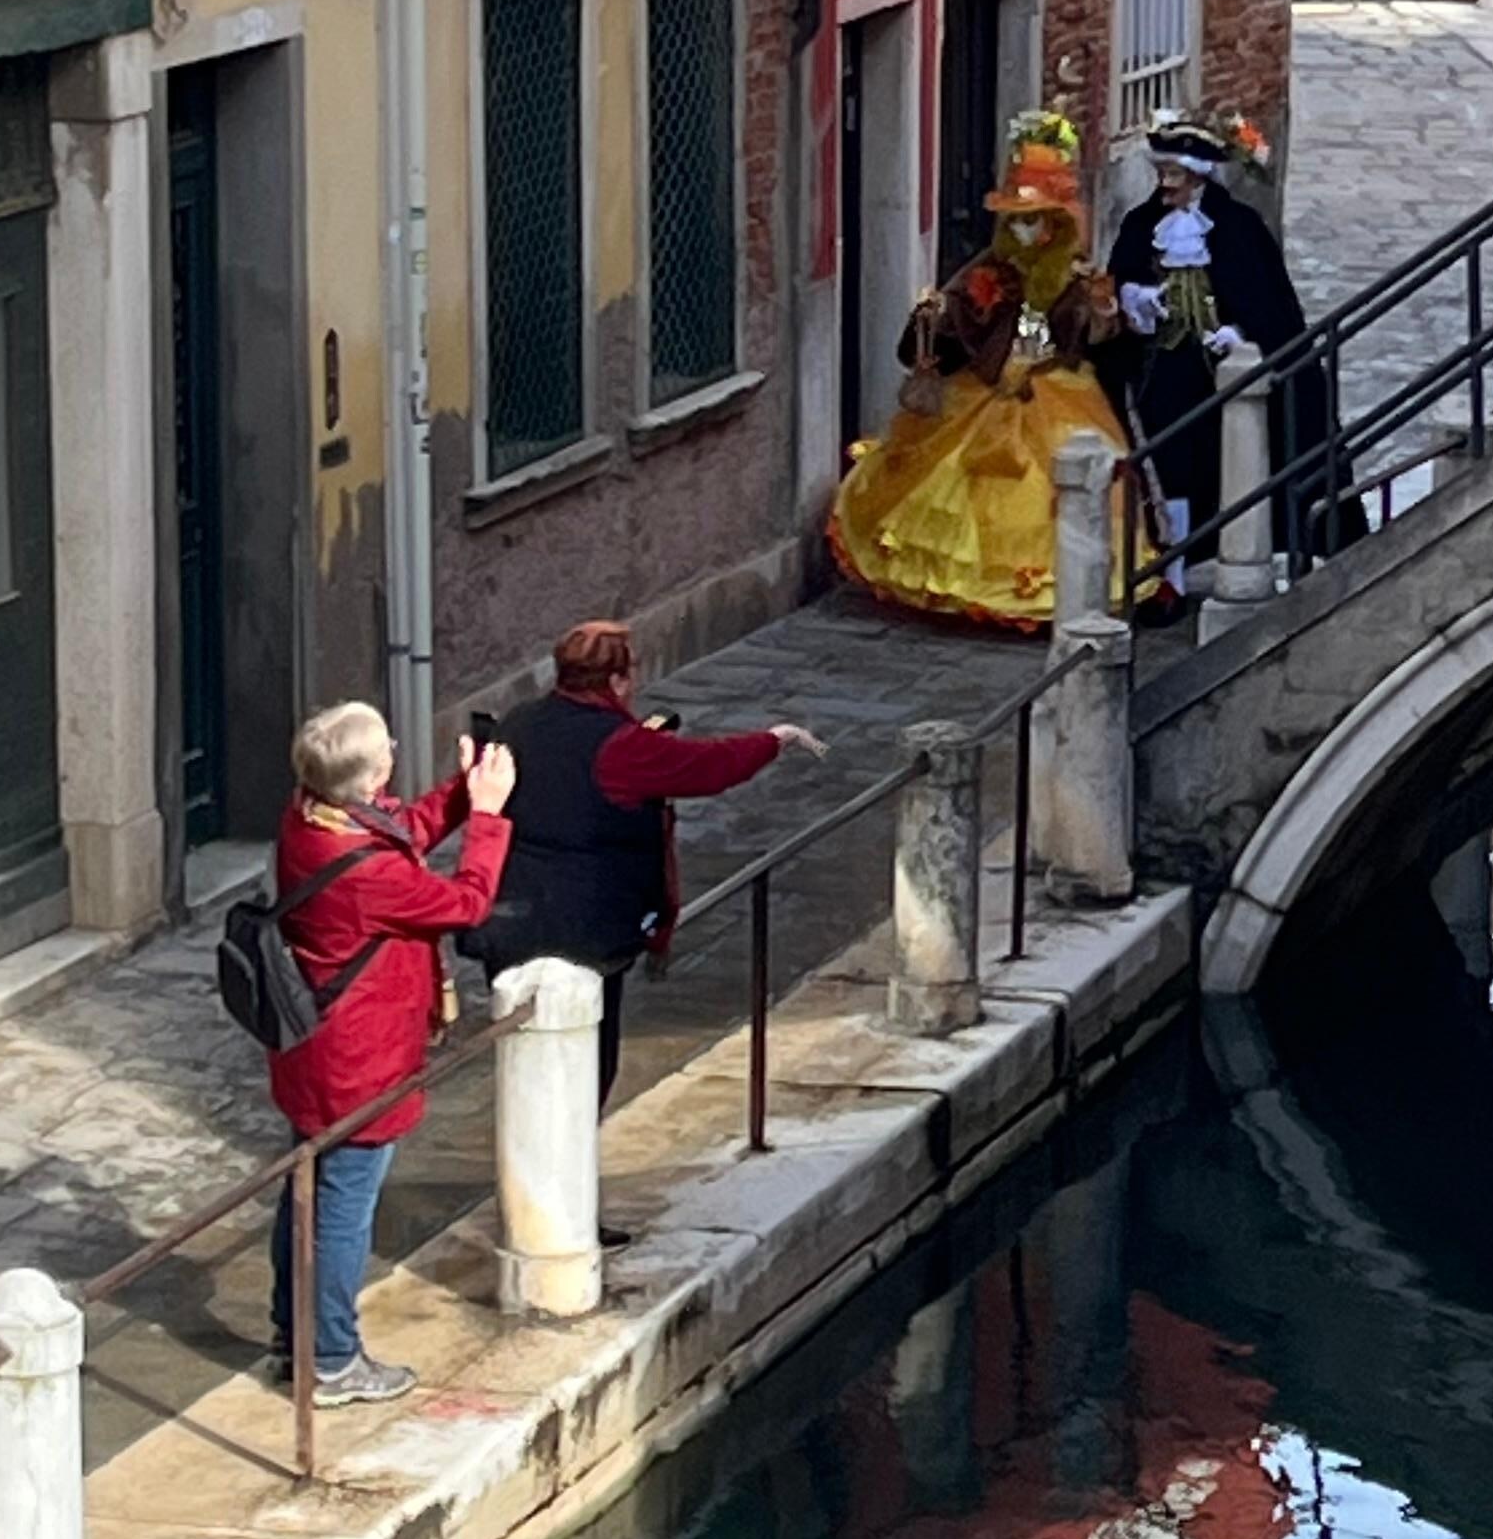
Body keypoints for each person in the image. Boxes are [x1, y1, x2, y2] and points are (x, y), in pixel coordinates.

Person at [265, 701, 515, 1409]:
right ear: (374, 773)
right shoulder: (361, 871)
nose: (396, 749)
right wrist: (491, 818)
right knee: (344, 1204)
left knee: (304, 1189)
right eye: (386, 749)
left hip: (314, 1050)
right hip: (358, 1061)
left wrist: (464, 794)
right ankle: (336, 1361)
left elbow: (401, 830)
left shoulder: (310, 817)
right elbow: (465, 903)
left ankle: (295, 1336)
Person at [466, 621, 821, 1104]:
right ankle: (561, 1172)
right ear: (616, 680)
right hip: (581, 930)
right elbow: (708, 765)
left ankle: (531, 1166)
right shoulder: (622, 747)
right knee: (586, 1071)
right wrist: (776, 738)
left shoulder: (517, 723)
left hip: (508, 920)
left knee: (524, 1058)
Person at [829, 113, 1136, 630]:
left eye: (1033, 219)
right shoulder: (989, 268)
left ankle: (1053, 587)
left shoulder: (1075, 274)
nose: (1023, 230)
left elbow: (1096, 335)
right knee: (957, 480)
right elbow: (956, 307)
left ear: (1054, 223)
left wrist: (1102, 312)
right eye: (1016, 220)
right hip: (986, 390)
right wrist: (941, 317)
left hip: (1058, 393)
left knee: (1055, 486)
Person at [1102, 109, 1343, 586]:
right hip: (1164, 367)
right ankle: (1169, 575)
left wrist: (1239, 332)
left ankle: (1234, 558)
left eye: (1173, 175)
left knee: (1226, 460)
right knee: (1167, 462)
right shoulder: (1140, 223)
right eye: (1161, 173)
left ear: (1196, 176)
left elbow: (1266, 302)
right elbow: (1121, 279)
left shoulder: (1238, 227)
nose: (1164, 184)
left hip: (1221, 370)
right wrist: (1139, 300)